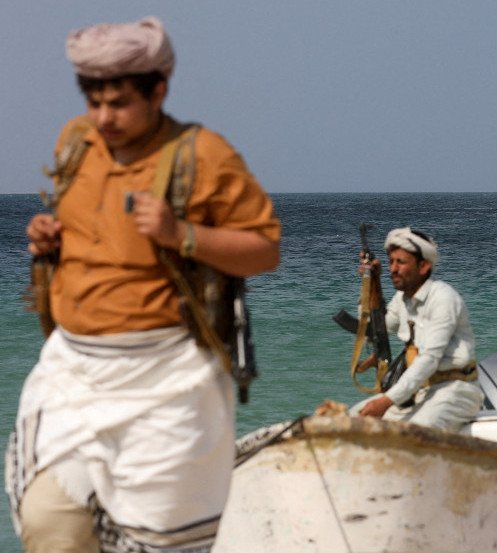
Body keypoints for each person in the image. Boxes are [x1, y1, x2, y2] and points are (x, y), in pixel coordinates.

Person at [5, 16, 281, 553]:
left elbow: (265, 250)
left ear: (158, 91)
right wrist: (48, 240)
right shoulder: (76, 142)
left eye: (119, 103)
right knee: (48, 522)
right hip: (74, 374)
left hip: (168, 379)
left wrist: (183, 234)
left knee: (159, 542)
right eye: (94, 102)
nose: (104, 117)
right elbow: (92, 232)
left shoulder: (203, 155)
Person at [349, 227, 485, 431]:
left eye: (401, 262)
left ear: (423, 266)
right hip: (417, 393)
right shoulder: (402, 300)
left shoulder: (443, 299)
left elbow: (429, 359)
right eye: (391, 262)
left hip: (456, 392)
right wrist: (370, 284)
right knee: (350, 421)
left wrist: (386, 401)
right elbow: (373, 334)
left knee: (416, 433)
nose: (393, 269)